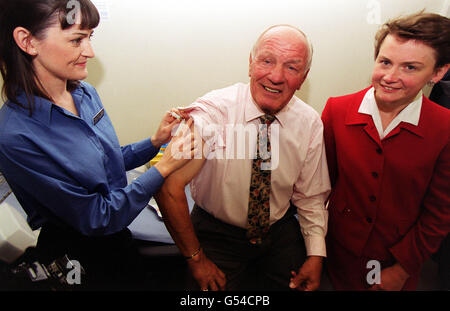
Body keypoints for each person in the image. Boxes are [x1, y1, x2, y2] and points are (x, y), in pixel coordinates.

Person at [0, 0, 195, 290]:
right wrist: (164, 168)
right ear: (27, 41)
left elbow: (105, 162)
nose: (90, 52)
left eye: (90, 37)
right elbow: (98, 217)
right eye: (77, 39)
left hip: (118, 239)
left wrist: (155, 142)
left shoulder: (85, 93)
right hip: (78, 255)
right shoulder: (15, 136)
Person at [155, 24, 331, 291]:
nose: (276, 76)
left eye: (292, 67)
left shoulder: (309, 123)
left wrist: (316, 255)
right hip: (217, 233)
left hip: (277, 231)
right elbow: (168, 187)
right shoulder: (212, 113)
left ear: (303, 78)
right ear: (250, 64)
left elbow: (311, 196)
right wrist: (196, 260)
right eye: (267, 61)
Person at [321, 12, 450, 290]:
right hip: (338, 253)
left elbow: (440, 212)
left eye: (410, 67)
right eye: (385, 62)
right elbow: (320, 187)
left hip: (394, 261)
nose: (390, 77)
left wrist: (403, 269)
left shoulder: (445, 128)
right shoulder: (337, 110)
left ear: (438, 73)